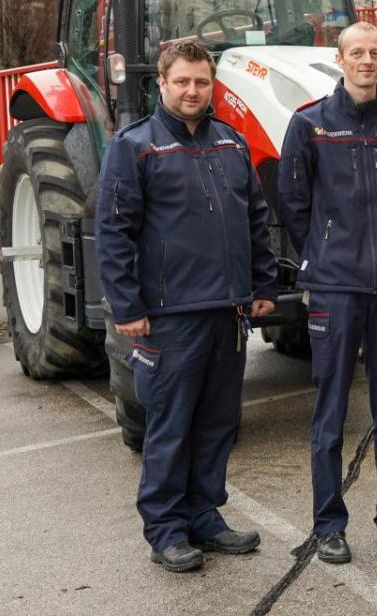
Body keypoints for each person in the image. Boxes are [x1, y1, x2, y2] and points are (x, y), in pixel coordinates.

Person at [97, 38, 277, 573]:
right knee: (171, 426)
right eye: (183, 82)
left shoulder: (231, 143)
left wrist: (262, 285)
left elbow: (255, 220)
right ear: (163, 84)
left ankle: (204, 515)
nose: (193, 91)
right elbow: (113, 233)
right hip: (169, 317)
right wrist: (127, 306)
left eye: (202, 82)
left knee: (217, 422)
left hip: (227, 312)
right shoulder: (136, 146)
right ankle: (166, 529)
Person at [277, 21, 377, 564]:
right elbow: (293, 202)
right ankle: (328, 524)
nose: (367, 61)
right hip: (334, 289)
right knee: (331, 409)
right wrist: (322, 251)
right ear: (340, 60)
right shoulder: (310, 124)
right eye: (357, 53)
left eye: (376, 53)